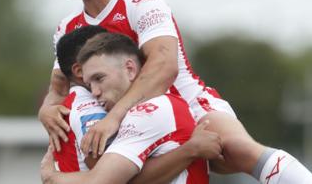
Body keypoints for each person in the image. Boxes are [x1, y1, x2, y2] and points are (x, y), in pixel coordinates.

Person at [38, 0, 312, 183]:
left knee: (235, 150)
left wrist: (113, 120)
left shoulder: (140, 2)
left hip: (183, 100)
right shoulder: (68, 27)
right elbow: (58, 89)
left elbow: (164, 66)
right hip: (124, 117)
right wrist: (46, 111)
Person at [52, 25, 222, 183]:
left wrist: (53, 178)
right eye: (89, 85)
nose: (94, 92)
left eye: (99, 78)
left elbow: (101, 180)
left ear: (130, 69)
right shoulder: (162, 104)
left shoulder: (151, 110)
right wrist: (189, 151)